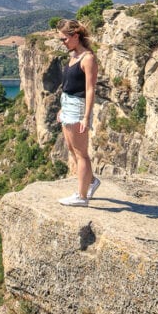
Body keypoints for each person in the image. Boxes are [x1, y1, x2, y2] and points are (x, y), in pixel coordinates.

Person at [56, 18, 100, 207]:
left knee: (81, 153)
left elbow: (90, 89)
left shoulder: (87, 58)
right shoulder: (73, 55)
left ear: (75, 36)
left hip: (78, 107)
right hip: (67, 105)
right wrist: (61, 109)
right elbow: (68, 85)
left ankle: (82, 197)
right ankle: (91, 181)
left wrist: (86, 116)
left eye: (63, 39)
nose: (62, 43)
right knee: (72, 150)